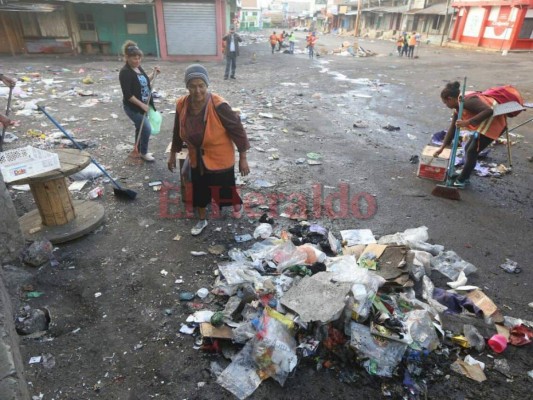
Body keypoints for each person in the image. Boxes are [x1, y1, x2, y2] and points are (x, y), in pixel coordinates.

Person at [167, 64, 250, 236]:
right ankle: (202, 219)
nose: (197, 91)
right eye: (192, 86)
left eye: (201, 86)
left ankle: (237, 204)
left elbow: (238, 131)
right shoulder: (182, 104)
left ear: (207, 85)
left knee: (224, 189)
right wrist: (172, 154)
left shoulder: (219, 105)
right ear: (187, 86)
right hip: (197, 156)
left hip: (219, 156)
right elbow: (177, 130)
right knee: (199, 190)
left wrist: (243, 157)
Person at [435, 81, 508, 188]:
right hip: (486, 124)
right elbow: (453, 127)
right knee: (468, 148)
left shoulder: (467, 101)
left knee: (472, 151)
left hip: (494, 124)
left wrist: (467, 122)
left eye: (445, 103)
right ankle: (465, 176)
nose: (446, 106)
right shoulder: (458, 105)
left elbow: (488, 111)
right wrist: (442, 147)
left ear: (450, 98)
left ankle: (462, 180)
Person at [119, 40, 160, 162]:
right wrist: (142, 105)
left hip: (143, 105)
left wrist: (154, 73)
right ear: (127, 57)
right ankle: (144, 152)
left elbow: (145, 81)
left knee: (140, 127)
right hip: (133, 107)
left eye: (139, 58)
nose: (137, 61)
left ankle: (137, 149)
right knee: (146, 128)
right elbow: (128, 95)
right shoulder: (125, 72)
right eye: (134, 59)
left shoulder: (138, 68)